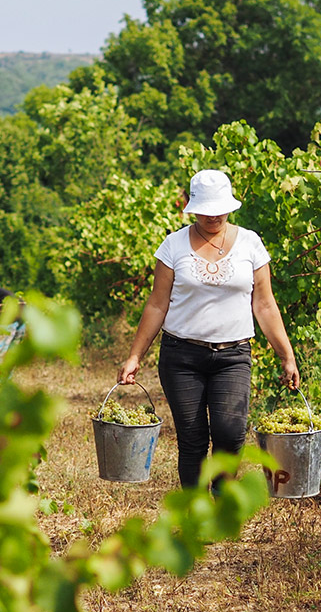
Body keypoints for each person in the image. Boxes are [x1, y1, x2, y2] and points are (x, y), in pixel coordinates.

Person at [117, 169, 300, 489]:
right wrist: (135, 356)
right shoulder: (173, 246)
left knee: (230, 435)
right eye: (205, 209)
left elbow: (265, 305)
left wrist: (287, 356)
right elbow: (157, 304)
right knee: (193, 439)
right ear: (192, 206)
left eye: (219, 209)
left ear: (229, 205)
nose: (213, 216)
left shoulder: (250, 244)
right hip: (181, 356)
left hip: (233, 356)